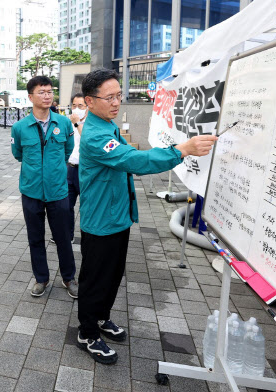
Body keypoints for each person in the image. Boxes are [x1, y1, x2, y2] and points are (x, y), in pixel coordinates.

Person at [76, 69, 217, 365]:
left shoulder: (107, 125)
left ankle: (101, 318)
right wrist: (182, 150)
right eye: (109, 97)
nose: (117, 102)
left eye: (119, 95)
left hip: (117, 216)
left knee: (113, 275)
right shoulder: (95, 135)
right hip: (101, 222)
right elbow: (135, 161)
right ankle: (87, 333)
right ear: (89, 101)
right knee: (95, 280)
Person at [10, 76, 78, 298]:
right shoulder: (20, 127)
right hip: (31, 191)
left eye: (50, 91)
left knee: (63, 238)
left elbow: (68, 150)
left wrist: (54, 169)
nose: (48, 95)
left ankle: (69, 278)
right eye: (42, 92)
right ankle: (41, 279)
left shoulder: (64, 123)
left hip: (58, 190)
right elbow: (18, 154)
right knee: (35, 238)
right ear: (31, 97)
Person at [66, 93, 87, 242]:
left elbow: (87, 140)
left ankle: (88, 237)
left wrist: (77, 123)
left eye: (80, 106)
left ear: (87, 107)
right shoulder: (67, 122)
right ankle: (67, 236)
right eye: (74, 105)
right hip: (69, 168)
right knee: (66, 205)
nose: (76, 108)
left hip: (84, 170)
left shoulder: (91, 123)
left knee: (86, 205)